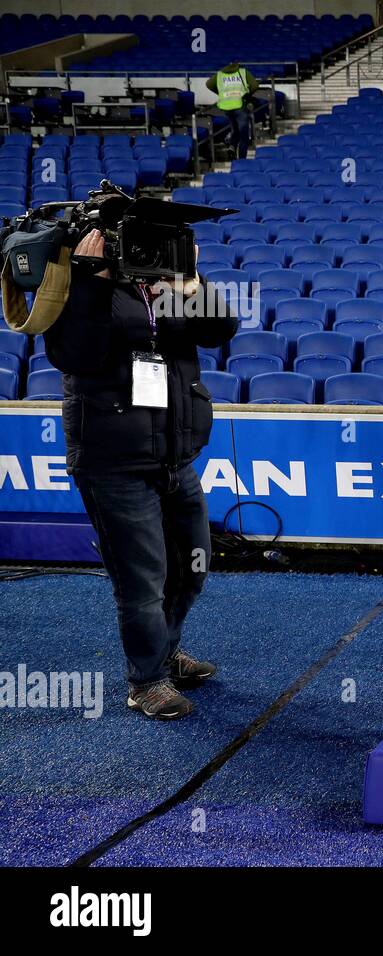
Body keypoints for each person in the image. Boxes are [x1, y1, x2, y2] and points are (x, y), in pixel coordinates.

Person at [42, 228, 237, 719]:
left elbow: (219, 330)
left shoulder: (168, 284)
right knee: (143, 582)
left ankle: (165, 652)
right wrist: (92, 280)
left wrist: (189, 279)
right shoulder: (75, 285)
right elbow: (75, 355)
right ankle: (146, 681)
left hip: (175, 456)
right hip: (114, 462)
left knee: (192, 566)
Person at [206, 61, 259, 160]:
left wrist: (221, 93)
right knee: (244, 136)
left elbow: (208, 84)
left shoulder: (220, 74)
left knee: (235, 129)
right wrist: (247, 95)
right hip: (240, 105)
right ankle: (242, 160)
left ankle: (232, 146)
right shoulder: (243, 72)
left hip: (227, 107)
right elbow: (255, 85)